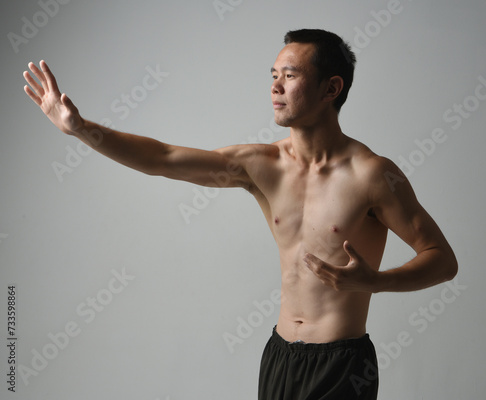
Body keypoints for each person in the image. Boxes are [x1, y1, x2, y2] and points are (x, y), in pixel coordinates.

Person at [23, 29, 457, 400]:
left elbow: (442, 258)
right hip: (280, 356)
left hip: (342, 365)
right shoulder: (259, 165)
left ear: (332, 88)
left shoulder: (373, 175)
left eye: (291, 76)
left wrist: (376, 283)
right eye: (273, 76)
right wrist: (82, 129)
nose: (275, 87)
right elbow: (164, 157)